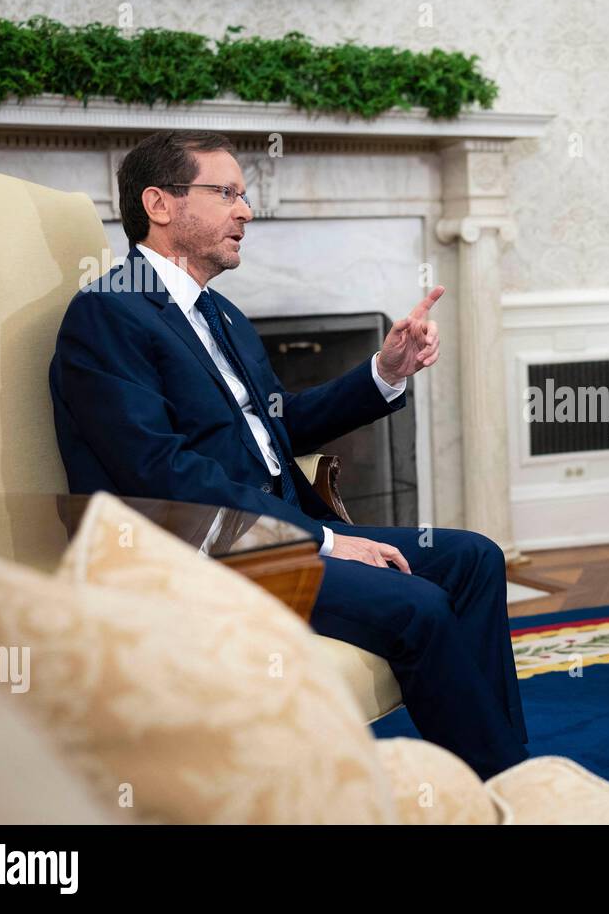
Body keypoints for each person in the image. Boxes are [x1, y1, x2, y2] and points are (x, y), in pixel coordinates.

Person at [49, 130, 527, 779]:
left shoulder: (219, 314)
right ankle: (502, 793)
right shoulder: (107, 314)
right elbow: (160, 475)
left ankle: (493, 769)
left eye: (244, 196)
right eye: (227, 193)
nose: (246, 211)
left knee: (474, 558)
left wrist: (383, 373)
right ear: (159, 204)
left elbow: (279, 425)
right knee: (417, 606)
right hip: (203, 551)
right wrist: (322, 539)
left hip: (272, 534)